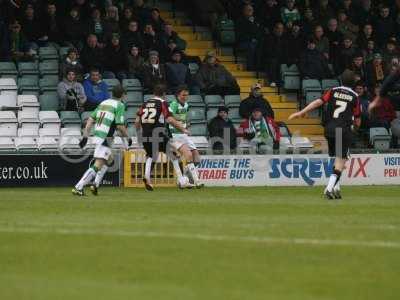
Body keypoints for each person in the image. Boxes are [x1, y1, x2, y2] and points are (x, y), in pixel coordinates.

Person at [289, 72, 361, 200]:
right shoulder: (355, 97)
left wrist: (301, 112)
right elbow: (357, 120)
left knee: (339, 159)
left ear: (341, 80)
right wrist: (354, 129)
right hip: (342, 130)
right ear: (353, 83)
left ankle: (336, 188)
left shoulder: (333, 91)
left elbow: (318, 102)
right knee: (341, 160)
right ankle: (329, 188)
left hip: (328, 129)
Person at [73, 85, 132, 196]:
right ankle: (78, 187)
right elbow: (120, 126)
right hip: (106, 137)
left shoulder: (103, 103)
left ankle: (95, 184)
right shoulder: (119, 105)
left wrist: (85, 136)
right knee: (98, 164)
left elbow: (90, 119)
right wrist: (128, 138)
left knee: (109, 160)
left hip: (99, 135)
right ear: (123, 95)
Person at [135, 84, 189, 191]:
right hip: (158, 133)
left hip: (145, 133)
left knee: (151, 155)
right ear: (164, 94)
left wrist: (139, 134)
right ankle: (182, 180)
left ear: (154, 93)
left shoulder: (145, 103)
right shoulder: (162, 103)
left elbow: (137, 121)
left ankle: (147, 177)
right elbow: (169, 119)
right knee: (173, 154)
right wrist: (183, 129)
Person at [168, 85, 203, 188]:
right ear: (178, 95)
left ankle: (184, 178)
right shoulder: (174, 104)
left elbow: (185, 118)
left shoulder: (186, 105)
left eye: (187, 95)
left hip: (183, 134)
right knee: (188, 155)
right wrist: (181, 121)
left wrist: (186, 123)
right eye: (183, 95)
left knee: (197, 158)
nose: (185, 97)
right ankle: (197, 181)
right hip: (175, 134)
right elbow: (170, 116)